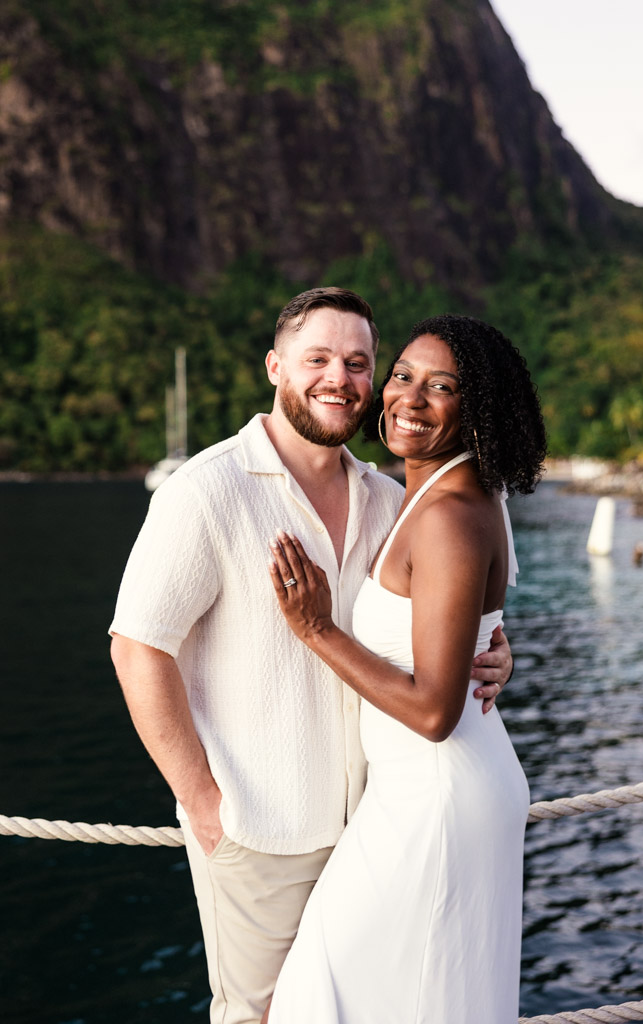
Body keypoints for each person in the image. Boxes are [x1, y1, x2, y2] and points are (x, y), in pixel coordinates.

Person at [109, 289, 513, 1024]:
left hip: (377, 823)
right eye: (317, 359)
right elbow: (137, 649)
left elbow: (432, 624)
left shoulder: (389, 498)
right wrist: (205, 807)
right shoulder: (205, 491)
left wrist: (493, 646)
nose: (341, 378)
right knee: (262, 1017)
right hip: (265, 830)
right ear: (274, 367)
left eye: (358, 362)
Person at [265, 314, 546, 1024]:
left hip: (437, 797)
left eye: (442, 387)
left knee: (318, 998)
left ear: (475, 407)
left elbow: (432, 711)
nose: (410, 399)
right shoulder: (427, 495)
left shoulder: (449, 514)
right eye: (402, 376)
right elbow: (462, 632)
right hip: (425, 793)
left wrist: (316, 629)